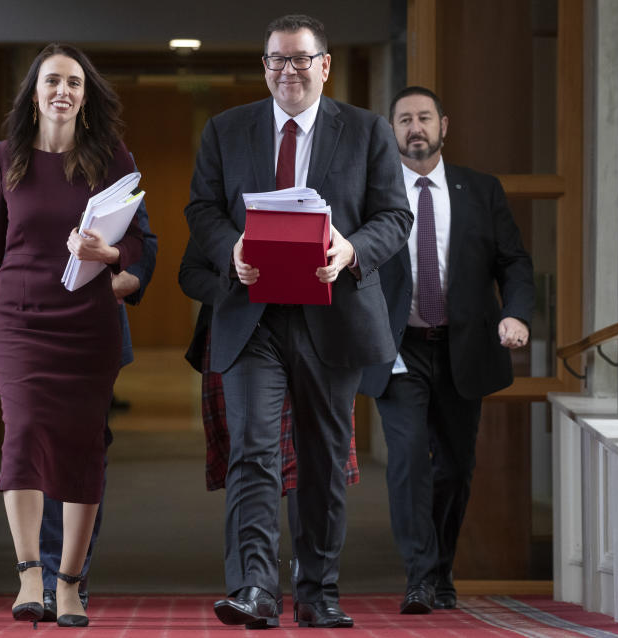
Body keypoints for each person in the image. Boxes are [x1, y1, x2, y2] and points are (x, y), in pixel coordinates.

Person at [184, 15, 412, 629]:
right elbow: (201, 209)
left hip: (332, 320)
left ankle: (317, 590)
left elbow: (395, 216)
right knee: (253, 451)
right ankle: (255, 588)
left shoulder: (366, 132)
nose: (288, 71)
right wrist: (231, 247)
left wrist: (352, 250)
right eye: (276, 61)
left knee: (323, 457)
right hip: (251, 321)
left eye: (299, 60)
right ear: (264, 67)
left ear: (325, 65)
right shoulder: (227, 130)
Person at [0, 43, 144, 628]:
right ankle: (30, 571)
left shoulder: (111, 158)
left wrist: (108, 254)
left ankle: (70, 585)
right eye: (52, 80)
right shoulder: (1, 159)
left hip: (87, 322)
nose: (63, 90)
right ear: (34, 93)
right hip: (16, 320)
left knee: (82, 449)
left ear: (86, 98)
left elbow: (139, 244)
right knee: (25, 431)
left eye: (75, 83)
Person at [358, 86, 534, 614]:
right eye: (405, 119)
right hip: (398, 347)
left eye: (425, 118)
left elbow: (515, 264)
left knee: (455, 468)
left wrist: (516, 313)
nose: (416, 127)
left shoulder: (481, 190)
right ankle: (419, 576)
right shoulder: (372, 195)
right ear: (392, 130)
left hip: (463, 347)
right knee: (408, 460)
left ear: (444, 126)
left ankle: (440, 569)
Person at [178, 237, 360, 601]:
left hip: (318, 335)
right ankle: (257, 582)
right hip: (245, 336)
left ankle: (311, 584)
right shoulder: (229, 218)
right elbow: (190, 275)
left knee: (310, 462)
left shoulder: (328, 215)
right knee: (254, 457)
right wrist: (234, 281)